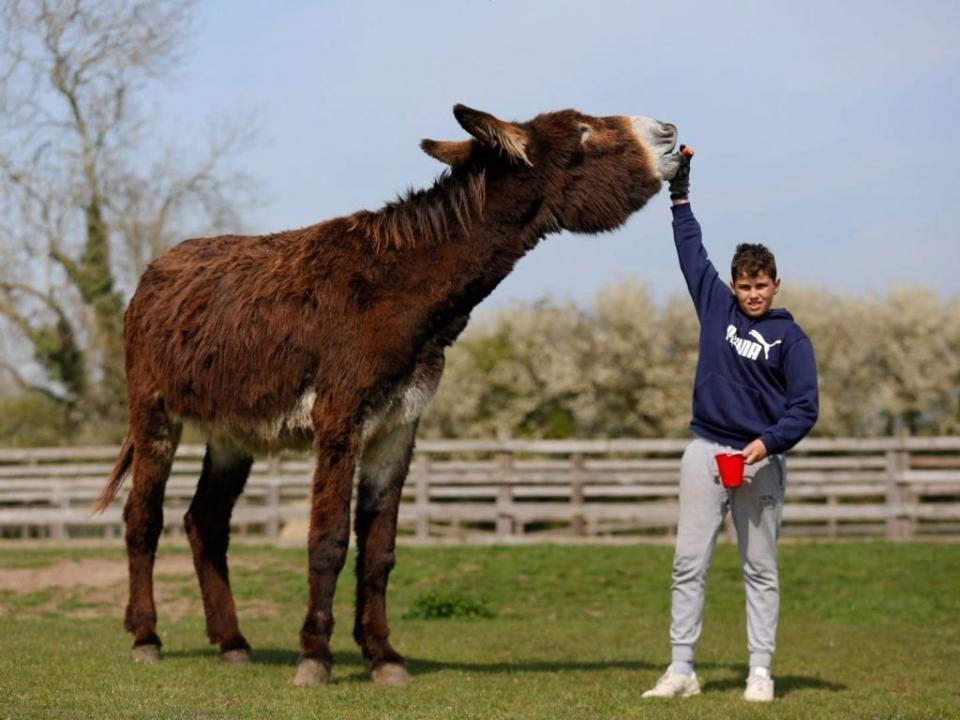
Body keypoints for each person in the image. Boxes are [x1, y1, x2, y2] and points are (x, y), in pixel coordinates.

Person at [642, 147, 819, 702]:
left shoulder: (793, 341)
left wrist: (766, 446)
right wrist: (680, 195)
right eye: (744, 284)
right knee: (687, 563)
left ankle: (759, 672)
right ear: (736, 285)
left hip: (759, 461)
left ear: (775, 284)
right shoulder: (717, 307)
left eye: (761, 284)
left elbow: (804, 409)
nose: (752, 293)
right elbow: (691, 252)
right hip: (706, 454)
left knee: (759, 568)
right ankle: (681, 670)